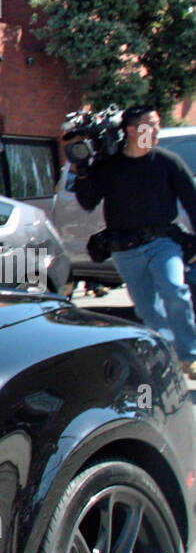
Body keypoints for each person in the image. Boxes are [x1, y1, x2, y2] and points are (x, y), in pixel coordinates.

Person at [72, 104, 196, 375]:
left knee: (175, 290)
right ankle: (168, 358)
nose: (157, 129)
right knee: (148, 310)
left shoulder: (167, 162)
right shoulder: (109, 167)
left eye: (157, 123)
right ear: (132, 130)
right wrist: (81, 171)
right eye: (152, 124)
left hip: (162, 243)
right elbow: (87, 201)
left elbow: (192, 202)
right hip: (125, 251)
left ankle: (190, 355)